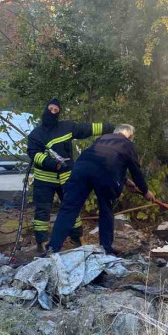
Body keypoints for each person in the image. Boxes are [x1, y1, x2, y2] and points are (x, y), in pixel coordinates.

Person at [47, 124, 155, 255]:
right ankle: (106, 249)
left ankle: (52, 249)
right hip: (105, 175)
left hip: (80, 170)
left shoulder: (103, 138)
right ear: (130, 136)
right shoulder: (127, 144)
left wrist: (126, 181)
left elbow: (102, 160)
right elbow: (135, 171)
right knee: (106, 210)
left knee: (68, 209)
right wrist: (145, 191)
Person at [26, 98, 115, 253]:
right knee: (42, 211)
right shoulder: (36, 134)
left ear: (59, 112)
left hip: (66, 177)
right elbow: (34, 155)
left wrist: (111, 128)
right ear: (46, 109)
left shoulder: (66, 127)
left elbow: (87, 129)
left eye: (56, 110)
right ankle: (42, 241)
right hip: (44, 179)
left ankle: (77, 237)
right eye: (50, 109)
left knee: (72, 207)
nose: (52, 112)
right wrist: (52, 163)